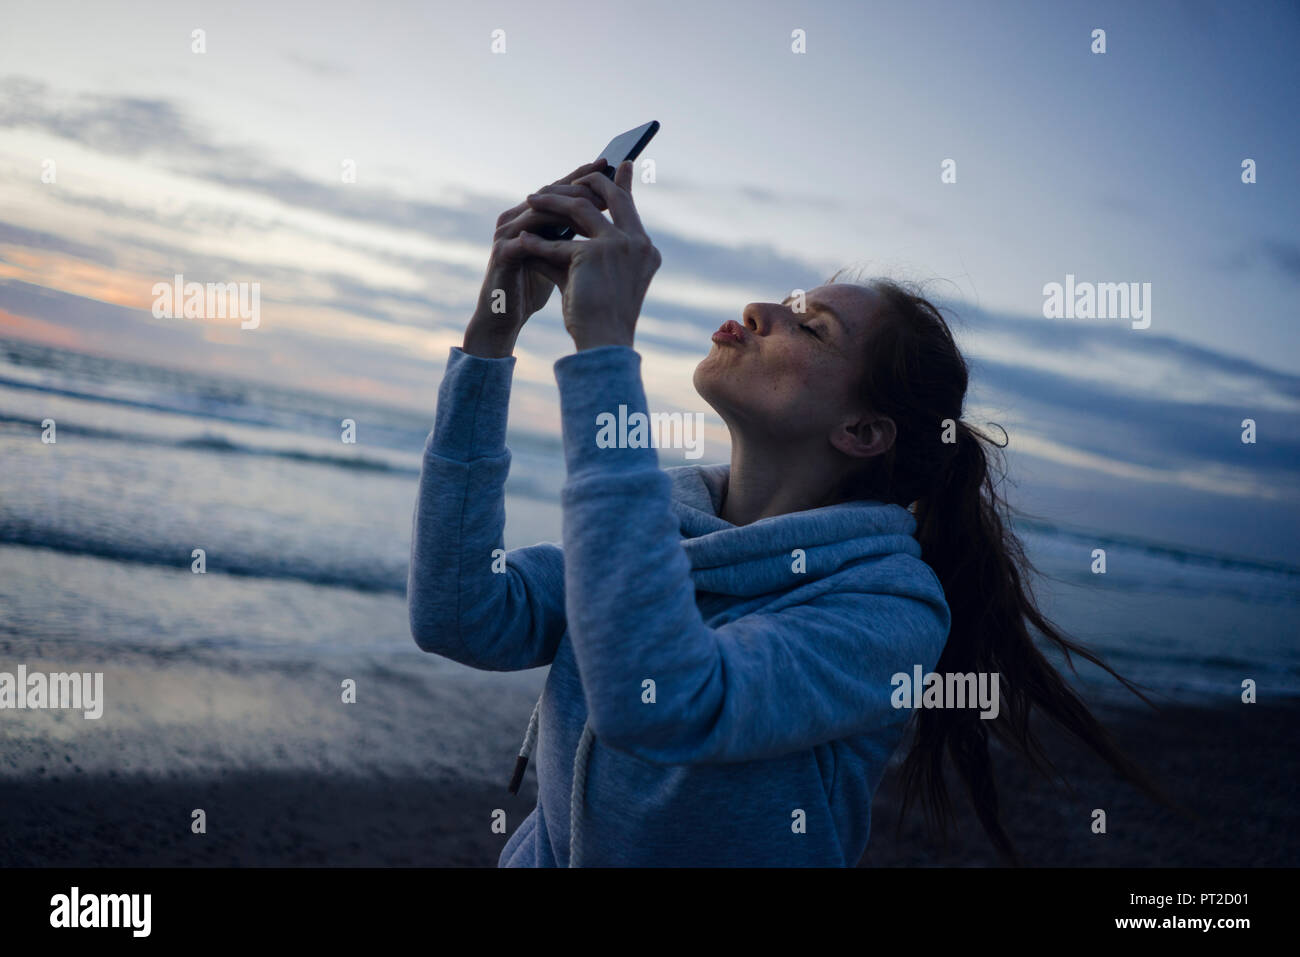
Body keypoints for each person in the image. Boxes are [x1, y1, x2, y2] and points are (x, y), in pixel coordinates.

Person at [407, 158, 1185, 866]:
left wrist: (606, 346)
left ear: (862, 431)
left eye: (810, 326)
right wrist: (492, 334)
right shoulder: (664, 522)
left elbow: (666, 700)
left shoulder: (889, 610)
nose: (758, 311)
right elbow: (460, 613)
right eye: (784, 304)